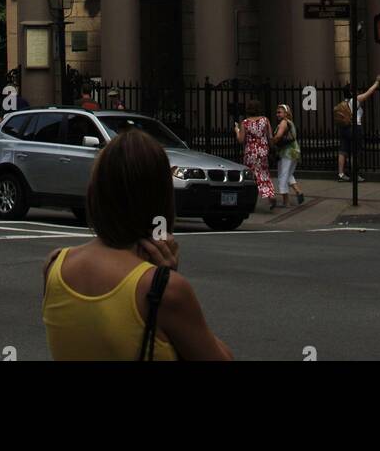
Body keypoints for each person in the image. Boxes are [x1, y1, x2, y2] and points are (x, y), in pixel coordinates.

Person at [42, 128, 232, 361]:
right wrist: (163, 278)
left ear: (96, 191)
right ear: (161, 197)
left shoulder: (54, 265)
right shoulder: (166, 290)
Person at [336, 74, 380, 181]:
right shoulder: (354, 101)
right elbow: (368, 93)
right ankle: (355, 175)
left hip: (344, 128)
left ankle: (341, 174)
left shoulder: (343, 103)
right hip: (355, 128)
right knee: (355, 152)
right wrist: (377, 82)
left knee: (343, 151)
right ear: (351, 92)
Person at [235, 99, 275, 211]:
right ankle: (270, 195)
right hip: (263, 151)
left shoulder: (245, 122)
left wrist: (237, 130)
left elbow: (241, 140)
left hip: (250, 152)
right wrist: (272, 148)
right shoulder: (265, 120)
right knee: (264, 173)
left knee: (252, 176)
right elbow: (270, 136)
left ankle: (249, 199)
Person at [270, 103, 304, 207]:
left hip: (286, 152)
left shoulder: (283, 123)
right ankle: (298, 191)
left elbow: (278, 136)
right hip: (294, 152)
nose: (277, 114)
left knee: (282, 176)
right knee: (288, 174)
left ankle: (286, 201)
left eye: (280, 112)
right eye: (277, 112)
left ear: (286, 113)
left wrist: (271, 142)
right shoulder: (290, 123)